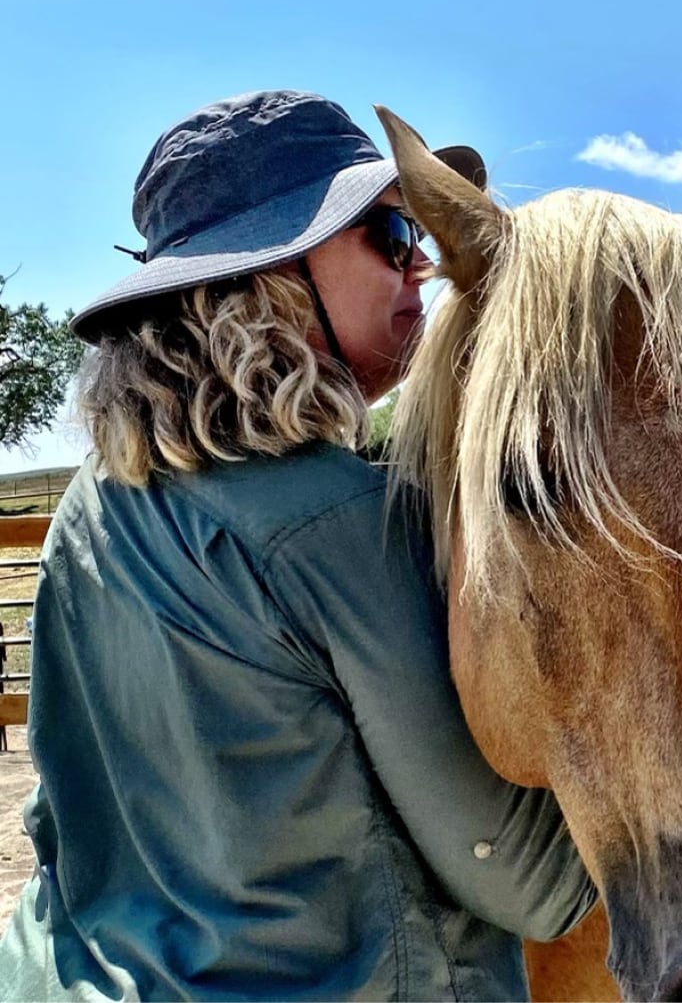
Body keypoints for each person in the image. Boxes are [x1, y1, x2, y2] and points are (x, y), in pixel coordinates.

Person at [0, 89, 595, 1001]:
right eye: (391, 235)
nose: (423, 263)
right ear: (266, 278)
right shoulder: (344, 524)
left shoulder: (90, 505)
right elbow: (529, 881)